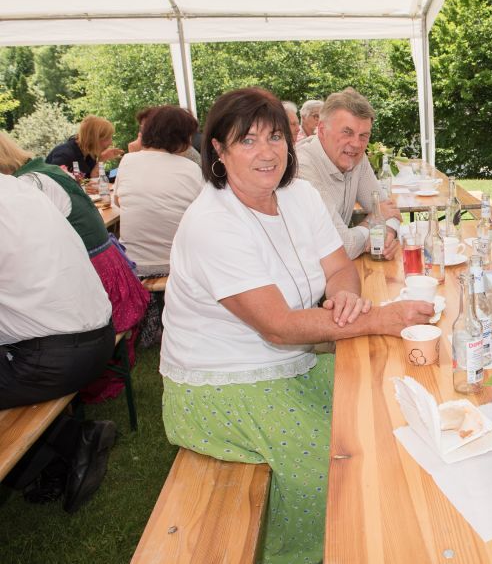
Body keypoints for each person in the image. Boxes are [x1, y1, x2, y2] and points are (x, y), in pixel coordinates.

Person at [160, 87, 433, 563]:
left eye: (275, 137)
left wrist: (345, 295)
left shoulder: (298, 194)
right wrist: (378, 319)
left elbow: (339, 267)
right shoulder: (212, 222)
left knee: (380, 402)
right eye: (247, 141)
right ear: (218, 151)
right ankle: (301, 553)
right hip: (222, 384)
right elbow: (279, 326)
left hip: (293, 364)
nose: (267, 152)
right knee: (332, 466)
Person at [1, 132, 150, 402]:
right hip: (98, 330)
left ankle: (64, 427)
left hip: (55, 353)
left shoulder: (31, 183)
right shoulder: (27, 186)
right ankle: (71, 428)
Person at [0, 173, 117, 512]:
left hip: (54, 356)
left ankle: (63, 447)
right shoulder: (19, 186)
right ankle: (57, 457)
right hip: (97, 336)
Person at [296, 87, 402, 260]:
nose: (356, 144)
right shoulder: (302, 168)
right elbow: (343, 247)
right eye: (347, 132)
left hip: (337, 270)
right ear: (321, 130)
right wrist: (371, 222)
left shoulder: (356, 157)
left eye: (363, 136)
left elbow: (389, 211)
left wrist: (388, 233)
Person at [114, 105, 204, 276]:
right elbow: (205, 212)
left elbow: (118, 202)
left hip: (134, 264)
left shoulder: (127, 161)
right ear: (182, 137)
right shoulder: (190, 168)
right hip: (179, 264)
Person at [45, 115, 124, 179]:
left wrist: (102, 159)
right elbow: (56, 185)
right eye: (107, 138)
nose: (111, 143)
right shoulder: (64, 155)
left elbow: (93, 178)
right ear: (93, 138)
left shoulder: (89, 154)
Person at [129, 106, 202, 167]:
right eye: (142, 128)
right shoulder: (160, 151)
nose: (144, 132)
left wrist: (135, 155)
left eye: (148, 127)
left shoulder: (179, 151)